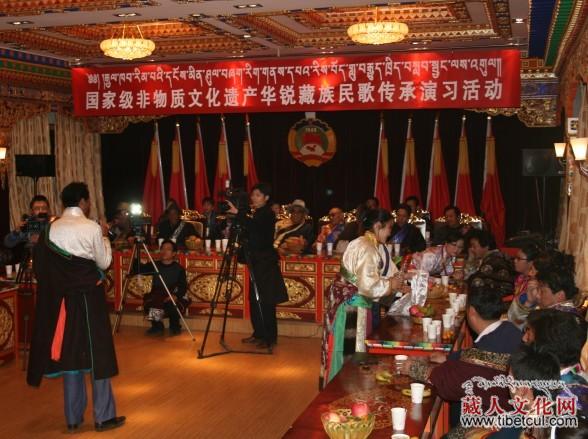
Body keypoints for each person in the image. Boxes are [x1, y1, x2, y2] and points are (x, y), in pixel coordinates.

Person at [27, 182, 125, 433]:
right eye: (88, 200)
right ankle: (103, 417)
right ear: (83, 201)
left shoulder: (51, 229)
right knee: (98, 356)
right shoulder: (92, 227)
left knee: (71, 356)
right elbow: (103, 262)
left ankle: (72, 418)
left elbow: (41, 269)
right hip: (90, 299)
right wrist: (105, 236)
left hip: (63, 303)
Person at [320, 208, 405, 387]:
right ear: (378, 226)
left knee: (341, 349)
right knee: (352, 355)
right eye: (389, 228)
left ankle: (337, 389)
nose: (390, 233)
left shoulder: (359, 242)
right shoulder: (369, 249)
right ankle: (346, 391)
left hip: (345, 303)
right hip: (354, 307)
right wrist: (391, 284)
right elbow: (368, 286)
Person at [226, 183, 288, 350]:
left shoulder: (267, 213)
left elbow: (256, 228)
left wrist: (238, 214)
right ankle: (258, 333)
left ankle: (269, 337)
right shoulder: (257, 213)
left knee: (266, 301)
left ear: (266, 198)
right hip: (256, 262)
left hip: (265, 263)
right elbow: (250, 233)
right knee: (255, 299)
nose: (254, 197)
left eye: (258, 195)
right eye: (253, 194)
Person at [136, 239, 190, 336]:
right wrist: (136, 255)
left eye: (168, 249)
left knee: (172, 304)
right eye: (162, 249)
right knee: (152, 302)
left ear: (174, 253)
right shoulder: (155, 265)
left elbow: (183, 286)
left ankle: (175, 326)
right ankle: (157, 326)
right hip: (157, 294)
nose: (164, 251)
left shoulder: (179, 269)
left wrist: (176, 296)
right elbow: (139, 269)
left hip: (172, 294)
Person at [507, 243, 543, 328]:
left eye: (519, 258)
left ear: (531, 263)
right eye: (515, 257)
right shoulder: (521, 278)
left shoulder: (534, 285)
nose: (515, 261)